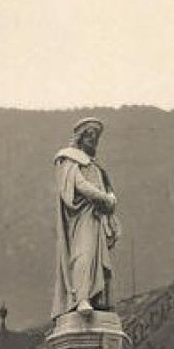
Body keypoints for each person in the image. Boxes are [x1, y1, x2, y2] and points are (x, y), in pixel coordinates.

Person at [52, 117, 121, 318]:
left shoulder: (96, 167)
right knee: (83, 253)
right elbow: (79, 185)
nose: (93, 140)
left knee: (97, 259)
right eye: (90, 135)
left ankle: (95, 298)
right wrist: (105, 199)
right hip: (80, 217)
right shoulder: (68, 159)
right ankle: (81, 298)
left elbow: (108, 190)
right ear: (80, 137)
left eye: (96, 137)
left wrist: (111, 200)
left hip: (96, 218)